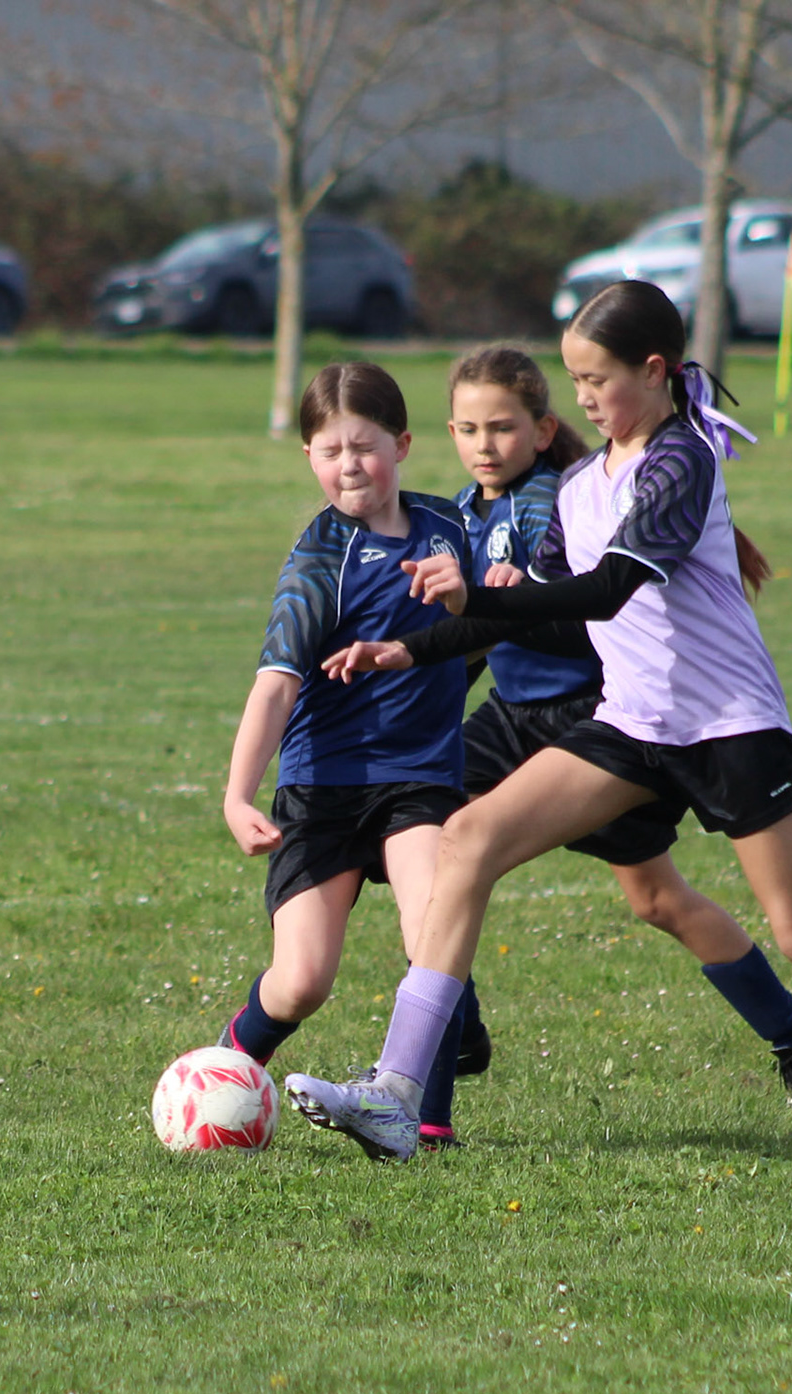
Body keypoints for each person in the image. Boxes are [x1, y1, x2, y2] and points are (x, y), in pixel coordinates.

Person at [287, 282, 792, 1168]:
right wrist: (410, 649)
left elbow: (610, 588)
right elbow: (535, 613)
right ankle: (397, 1094)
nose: (583, 398)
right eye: (576, 381)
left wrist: (485, 602)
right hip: (630, 726)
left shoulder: (683, 461)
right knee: (466, 841)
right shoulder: (580, 485)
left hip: (728, 726)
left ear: (654, 372)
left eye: (596, 380)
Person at [438, 345, 792, 1140]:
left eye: (502, 427)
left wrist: (497, 613)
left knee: (655, 898)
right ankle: (454, 1028)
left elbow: (579, 617)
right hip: (511, 717)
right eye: (468, 428)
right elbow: (478, 635)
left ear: (540, 429)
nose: (485, 444)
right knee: (422, 826)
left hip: (588, 717)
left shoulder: (553, 501)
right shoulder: (468, 510)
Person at [209, 361, 477, 1147]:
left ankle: (426, 1122)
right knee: (301, 983)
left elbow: (481, 629)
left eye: (364, 447)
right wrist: (236, 796)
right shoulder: (318, 565)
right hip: (323, 788)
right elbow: (274, 687)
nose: (349, 465)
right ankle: (224, 1071)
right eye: (330, 451)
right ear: (309, 457)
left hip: (419, 781)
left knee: (433, 936)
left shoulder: (448, 526)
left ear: (402, 445)